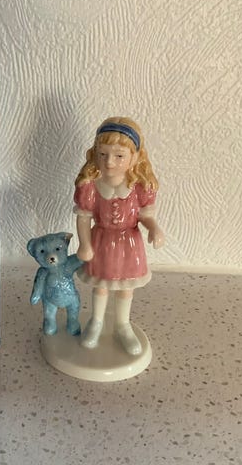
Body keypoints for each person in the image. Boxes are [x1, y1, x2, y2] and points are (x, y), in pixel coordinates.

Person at [74, 117, 164, 355]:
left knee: (126, 287)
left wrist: (153, 228)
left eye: (119, 156)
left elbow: (145, 215)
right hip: (101, 241)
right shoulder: (90, 186)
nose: (109, 162)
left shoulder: (139, 188)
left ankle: (123, 325)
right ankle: (96, 321)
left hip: (129, 243)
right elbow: (83, 217)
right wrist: (85, 244)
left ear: (135, 157)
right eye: (103, 154)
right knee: (101, 285)